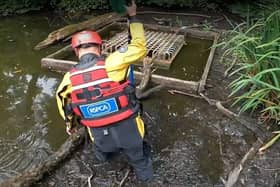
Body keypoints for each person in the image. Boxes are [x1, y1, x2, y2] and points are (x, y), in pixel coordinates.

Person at [55, 1, 153, 182]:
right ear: (100, 47)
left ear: (76, 51)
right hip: (130, 131)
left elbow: (64, 106)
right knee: (140, 160)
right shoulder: (115, 61)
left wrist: (70, 126)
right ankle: (146, 178)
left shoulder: (68, 79)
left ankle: (109, 163)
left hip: (100, 138)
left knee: (104, 155)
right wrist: (132, 16)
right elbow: (140, 46)